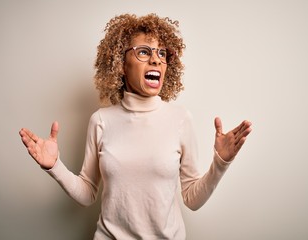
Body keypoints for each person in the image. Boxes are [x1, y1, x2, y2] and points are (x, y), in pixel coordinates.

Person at [19, 13, 252, 240]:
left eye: (162, 53)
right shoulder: (101, 120)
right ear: (121, 64)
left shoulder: (180, 119)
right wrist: (55, 166)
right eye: (144, 52)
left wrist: (220, 163)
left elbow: (192, 198)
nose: (156, 60)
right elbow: (88, 192)